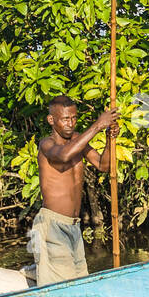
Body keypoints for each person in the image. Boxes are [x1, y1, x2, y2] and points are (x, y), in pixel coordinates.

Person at [31, 95, 119, 286]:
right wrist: (97, 125)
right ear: (51, 120)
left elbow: (103, 165)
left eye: (74, 118)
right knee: (64, 287)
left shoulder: (78, 140)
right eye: (65, 119)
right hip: (52, 225)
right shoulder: (46, 144)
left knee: (80, 281)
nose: (70, 123)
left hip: (74, 225)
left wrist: (108, 138)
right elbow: (63, 156)